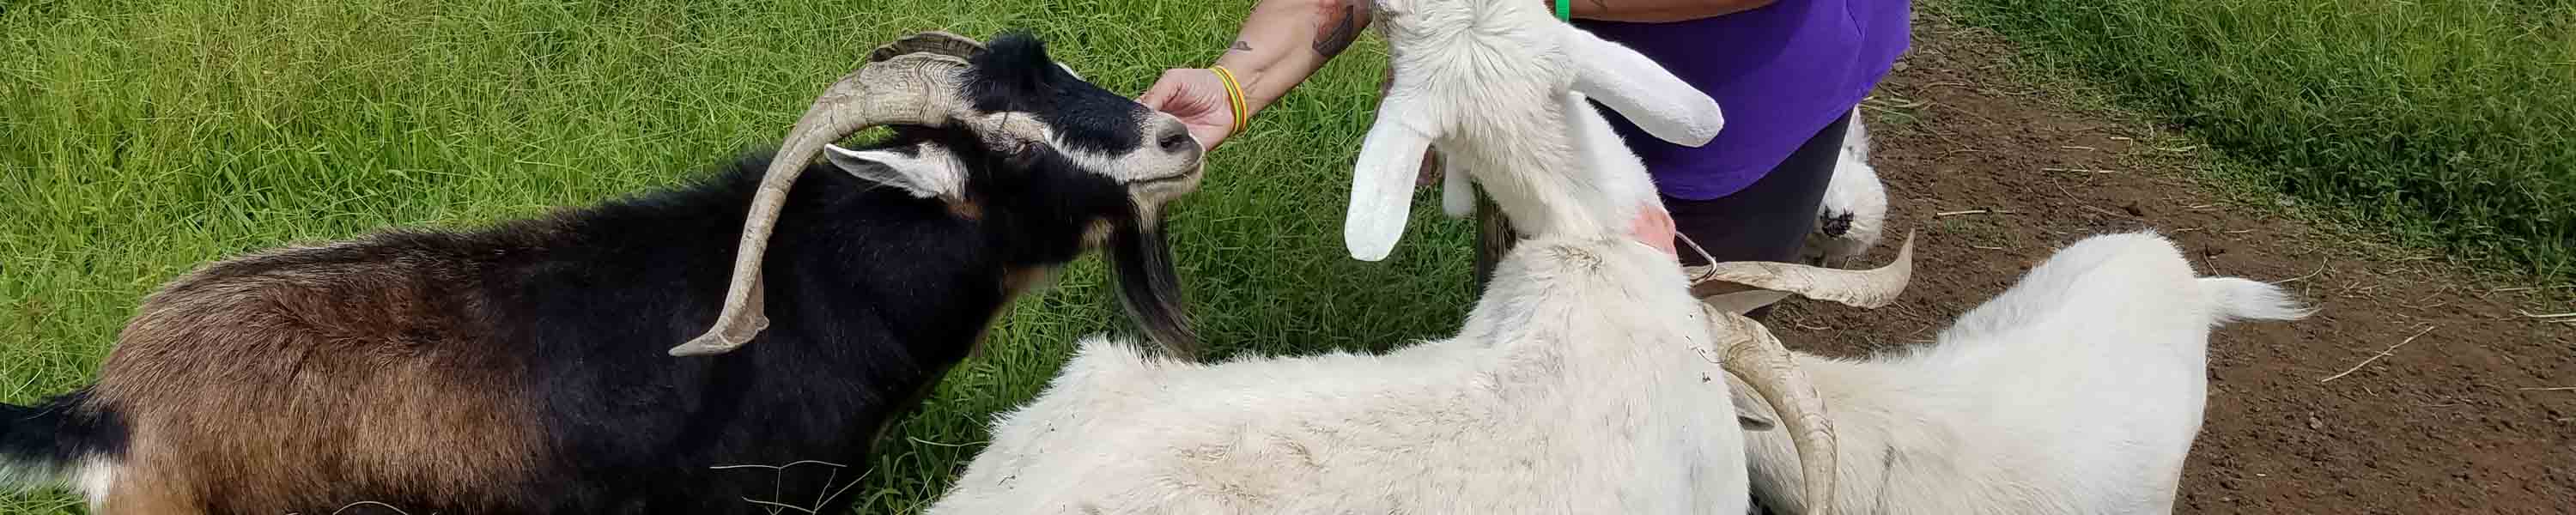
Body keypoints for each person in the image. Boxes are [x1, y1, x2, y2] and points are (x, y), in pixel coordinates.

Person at [1141, 0, 1911, 316]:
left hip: (1736, 76)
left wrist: (1502, 14)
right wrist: (1236, 81)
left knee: (1689, 333)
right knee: (1543, 298)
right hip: (1521, 69)